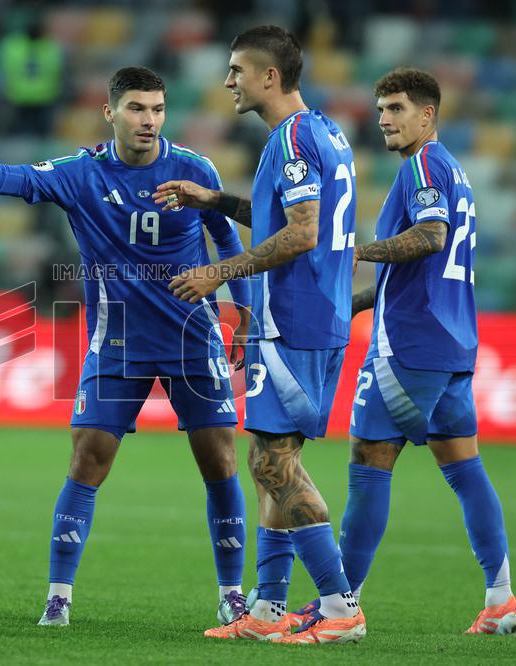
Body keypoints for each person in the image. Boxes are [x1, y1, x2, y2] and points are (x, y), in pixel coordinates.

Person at [0, 66, 253, 626]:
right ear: (110, 112)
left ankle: (232, 594)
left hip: (193, 337)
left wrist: (246, 312)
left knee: (220, 460)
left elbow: (228, 241)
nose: (149, 120)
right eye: (137, 108)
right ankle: (58, 598)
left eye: (157, 109)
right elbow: (3, 179)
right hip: (118, 344)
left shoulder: (194, 169)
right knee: (87, 459)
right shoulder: (81, 173)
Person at [288, 68, 516, 636]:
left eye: (396, 108)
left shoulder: (423, 167)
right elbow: (423, 268)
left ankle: (340, 606)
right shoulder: (452, 170)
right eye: (380, 109)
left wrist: (354, 252)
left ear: (428, 115)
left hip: (409, 348)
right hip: (453, 345)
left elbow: (430, 236)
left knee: (369, 464)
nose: (385, 119)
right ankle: (500, 600)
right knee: (464, 468)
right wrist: (356, 303)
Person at [156, 25, 365, 644]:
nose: (228, 81)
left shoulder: (293, 138)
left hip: (298, 319)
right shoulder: (322, 131)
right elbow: (287, 219)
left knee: (272, 462)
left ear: (269, 76)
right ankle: (269, 609)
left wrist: (219, 272)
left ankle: (340, 606)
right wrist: (215, 200)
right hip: (315, 316)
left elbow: (302, 233)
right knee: (272, 461)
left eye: (237, 70)